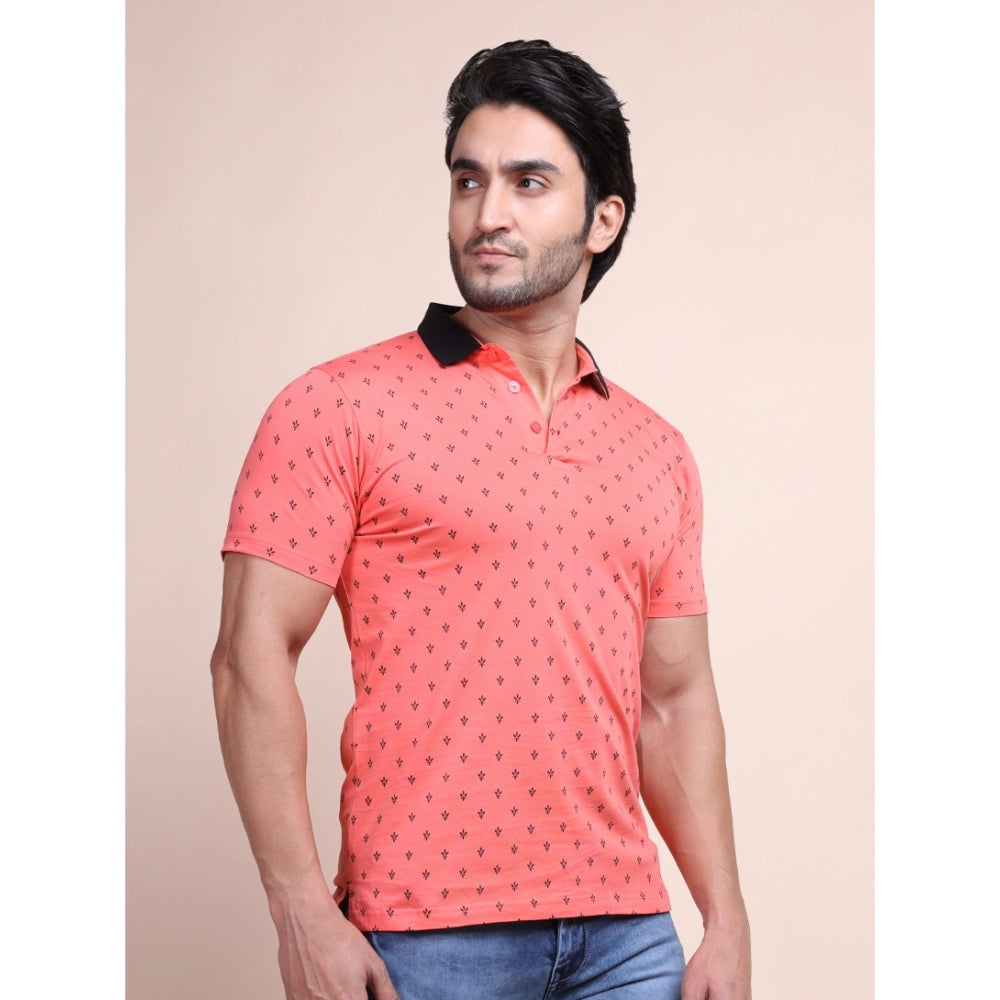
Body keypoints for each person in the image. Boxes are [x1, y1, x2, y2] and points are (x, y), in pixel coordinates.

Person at [211, 39, 751, 1000]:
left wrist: (725, 916)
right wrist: (299, 910)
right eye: (469, 180)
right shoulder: (338, 405)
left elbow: (674, 700)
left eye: (528, 182)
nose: (487, 213)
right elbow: (249, 657)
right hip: (423, 938)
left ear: (603, 219)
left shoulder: (656, 449)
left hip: (628, 938)